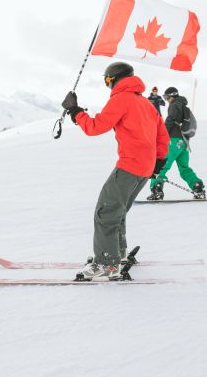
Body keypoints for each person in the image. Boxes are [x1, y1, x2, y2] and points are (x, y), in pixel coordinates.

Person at [61, 62, 169, 280]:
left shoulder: (122, 99)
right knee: (117, 211)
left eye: (106, 80)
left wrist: (75, 111)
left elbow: (95, 127)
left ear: (111, 79)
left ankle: (107, 263)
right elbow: (162, 136)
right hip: (144, 168)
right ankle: (117, 255)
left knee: (106, 213)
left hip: (130, 165)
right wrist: (157, 163)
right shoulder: (146, 103)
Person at [147, 86, 205, 201]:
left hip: (173, 141)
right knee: (184, 168)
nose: (166, 99)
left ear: (172, 96)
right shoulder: (183, 106)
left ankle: (156, 190)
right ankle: (197, 187)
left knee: (161, 166)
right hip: (184, 143)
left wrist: (160, 135)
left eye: (166, 97)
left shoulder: (175, 105)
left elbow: (170, 121)